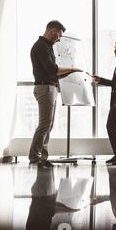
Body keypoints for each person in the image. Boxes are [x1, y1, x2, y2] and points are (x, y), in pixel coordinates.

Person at [28, 20, 82, 167]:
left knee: (48, 125)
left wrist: (70, 71)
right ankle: (35, 157)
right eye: (58, 35)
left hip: (49, 87)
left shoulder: (47, 46)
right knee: (45, 124)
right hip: (45, 88)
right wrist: (71, 69)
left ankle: (42, 158)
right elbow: (53, 70)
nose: (59, 39)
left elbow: (54, 73)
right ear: (52, 31)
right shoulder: (41, 47)